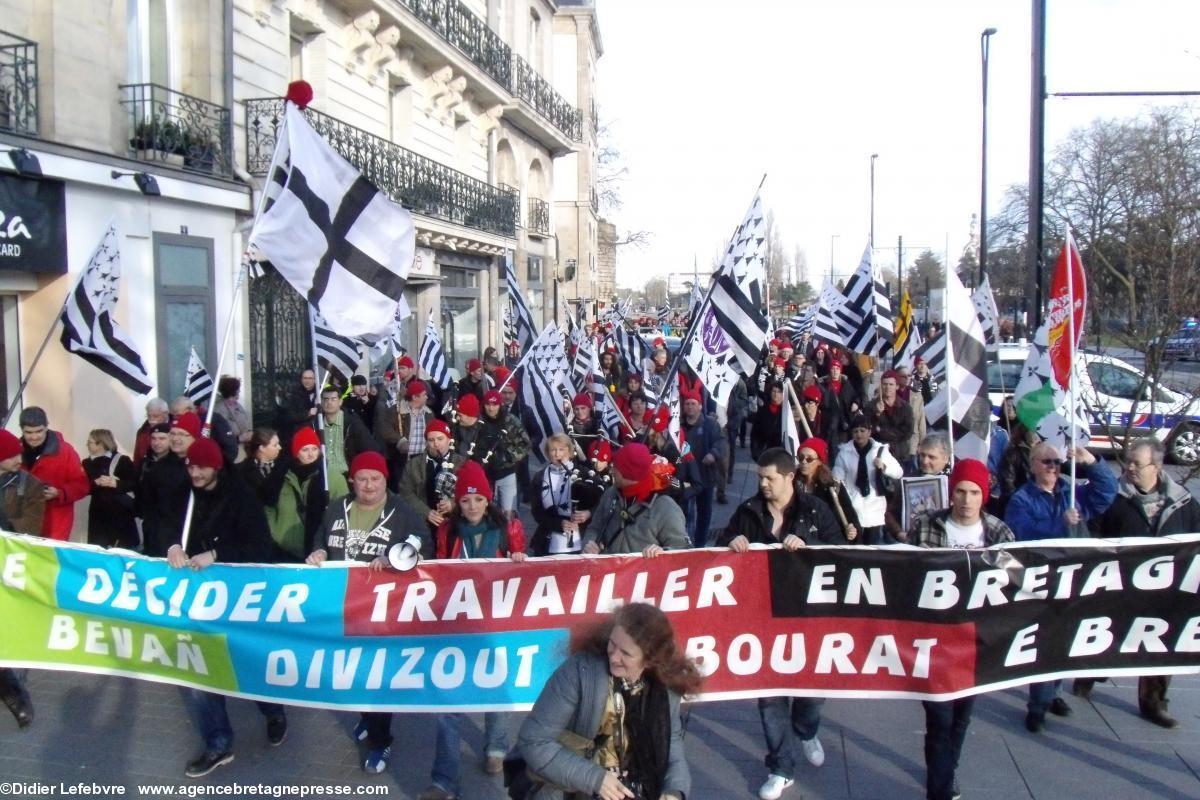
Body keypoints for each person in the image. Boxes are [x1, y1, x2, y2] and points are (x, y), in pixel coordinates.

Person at [717, 447, 844, 800]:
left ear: (790, 477)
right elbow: (717, 545)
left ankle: (806, 730)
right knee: (770, 699)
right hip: (763, 619)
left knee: (811, 694)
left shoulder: (815, 510)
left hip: (808, 618)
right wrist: (731, 540)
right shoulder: (748, 511)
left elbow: (843, 553)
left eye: (770, 477)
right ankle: (781, 767)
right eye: (759, 477)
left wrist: (809, 544)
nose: (763, 483)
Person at [168, 437, 285, 778]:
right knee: (199, 671)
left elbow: (259, 546)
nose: (195, 472)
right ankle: (218, 743)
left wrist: (218, 555)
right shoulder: (183, 496)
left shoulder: (241, 497)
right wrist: (173, 544)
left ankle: (272, 708)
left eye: (201, 466)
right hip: (196, 602)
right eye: (190, 466)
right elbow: (163, 524)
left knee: (247, 665)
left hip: (238, 599)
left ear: (216, 467)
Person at [307, 451, 426, 774]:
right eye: (362, 479)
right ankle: (365, 716)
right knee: (353, 671)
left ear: (385, 480)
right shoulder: (337, 508)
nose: (369, 485)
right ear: (352, 481)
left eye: (375, 479)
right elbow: (320, 535)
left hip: (382, 608)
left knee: (376, 675)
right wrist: (317, 550)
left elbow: (420, 541)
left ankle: (380, 738)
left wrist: (395, 557)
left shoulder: (401, 511)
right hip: (342, 606)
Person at [908, 459, 1015, 800]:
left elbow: (1014, 584)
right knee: (939, 719)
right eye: (960, 491)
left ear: (984, 496)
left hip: (975, 643)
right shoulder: (926, 526)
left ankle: (946, 770)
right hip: (935, 641)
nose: (966, 500)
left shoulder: (999, 533)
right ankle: (939, 790)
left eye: (973, 492)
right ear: (951, 493)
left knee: (960, 719)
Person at [516, 603, 702, 800]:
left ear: (649, 661)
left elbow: (671, 745)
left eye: (626, 653)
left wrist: (674, 791)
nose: (614, 656)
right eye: (612, 644)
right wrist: (595, 779)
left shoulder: (665, 688)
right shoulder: (580, 672)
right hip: (570, 790)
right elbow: (534, 741)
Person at [419, 461, 527, 799]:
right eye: (465, 501)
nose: (472, 507)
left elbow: (525, 568)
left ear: (488, 499)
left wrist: (520, 559)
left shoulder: (507, 526)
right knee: (448, 699)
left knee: (494, 686)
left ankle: (496, 748)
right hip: (456, 621)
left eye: (478, 499)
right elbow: (439, 570)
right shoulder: (448, 530)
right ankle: (443, 780)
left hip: (494, 620)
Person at [1085, 439, 1200, 728]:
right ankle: (1086, 674)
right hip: (1117, 586)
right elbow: (1091, 537)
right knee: (1105, 634)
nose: (1130, 467)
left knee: (1162, 643)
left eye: (1137, 463)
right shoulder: (1113, 498)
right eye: (1128, 461)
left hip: (1165, 592)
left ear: (1157, 467)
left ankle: (1154, 702)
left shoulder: (1184, 501)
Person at [1004, 442, 1117, 734]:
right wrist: (1059, 524)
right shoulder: (1022, 498)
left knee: (1065, 639)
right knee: (1044, 640)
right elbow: (1022, 533)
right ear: (1032, 465)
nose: (1053, 467)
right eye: (1046, 462)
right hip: (1042, 580)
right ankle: (1038, 705)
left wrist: (1092, 462)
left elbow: (1107, 492)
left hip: (1073, 577)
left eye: (1057, 462)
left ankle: (1053, 693)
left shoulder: (1071, 492)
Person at [0, 429, 44, 729]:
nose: (19, 457)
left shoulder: (28, 484)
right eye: (12, 454)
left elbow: (24, 531)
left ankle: (15, 695)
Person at [582, 443, 689, 557]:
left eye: (615, 467)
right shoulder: (610, 494)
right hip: (609, 572)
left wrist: (662, 553)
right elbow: (594, 528)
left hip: (644, 574)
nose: (611, 471)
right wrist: (590, 544)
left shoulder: (665, 508)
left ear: (629, 474)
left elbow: (683, 551)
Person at [269, 427, 346, 562]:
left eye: (314, 449)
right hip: (284, 551)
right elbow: (268, 505)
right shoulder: (280, 477)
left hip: (319, 553)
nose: (311, 454)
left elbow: (344, 513)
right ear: (296, 452)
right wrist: (274, 532)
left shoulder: (332, 478)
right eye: (305, 450)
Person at [18, 406, 89, 541]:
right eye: (29, 432)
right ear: (22, 430)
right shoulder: (14, 449)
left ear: (46, 427)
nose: (34, 437)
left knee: (51, 560)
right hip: (22, 521)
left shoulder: (65, 451)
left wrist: (59, 493)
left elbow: (82, 485)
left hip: (55, 523)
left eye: (39, 431)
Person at [832, 415, 902, 544]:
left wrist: (884, 467)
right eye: (856, 431)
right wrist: (836, 482)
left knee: (873, 545)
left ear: (869, 432)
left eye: (862, 431)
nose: (859, 435)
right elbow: (837, 476)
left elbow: (898, 472)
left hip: (874, 505)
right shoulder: (844, 452)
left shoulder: (880, 451)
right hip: (853, 504)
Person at [398, 419, 467, 536]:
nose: (436, 444)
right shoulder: (413, 464)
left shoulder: (462, 464)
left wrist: (452, 504)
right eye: (431, 440)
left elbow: (470, 492)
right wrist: (426, 512)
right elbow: (406, 493)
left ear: (449, 440)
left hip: (454, 524)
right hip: (421, 524)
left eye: (440, 439)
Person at [680, 391, 726, 547]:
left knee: (704, 513)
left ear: (700, 406)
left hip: (706, 476)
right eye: (687, 403)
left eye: (693, 404)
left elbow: (720, 442)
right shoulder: (678, 425)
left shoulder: (710, 424)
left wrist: (713, 454)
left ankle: (699, 545)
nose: (690, 407)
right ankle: (685, 543)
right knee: (685, 512)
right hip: (686, 479)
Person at [81, 429, 138, 549]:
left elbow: (135, 483)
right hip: (98, 513)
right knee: (98, 549)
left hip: (120, 513)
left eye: (90, 442)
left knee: (122, 550)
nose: (87, 445)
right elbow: (82, 487)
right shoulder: (86, 463)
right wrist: (95, 483)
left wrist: (116, 483)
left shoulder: (122, 460)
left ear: (101, 443)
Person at [477, 389, 531, 518]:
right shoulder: (478, 421)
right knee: (486, 513)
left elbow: (525, 444)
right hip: (484, 473)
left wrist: (508, 456)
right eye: (488, 404)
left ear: (500, 405)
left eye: (494, 405)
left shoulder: (510, 420)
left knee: (509, 514)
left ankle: (510, 537)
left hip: (507, 472)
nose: (491, 408)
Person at [375, 379, 435, 492]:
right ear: (415, 397)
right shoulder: (396, 411)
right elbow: (384, 428)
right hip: (402, 460)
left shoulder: (429, 414)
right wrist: (400, 441)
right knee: (402, 489)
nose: (427, 397)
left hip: (422, 460)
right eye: (424, 395)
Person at [529, 434, 585, 556]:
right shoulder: (539, 477)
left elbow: (598, 504)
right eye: (553, 450)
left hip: (579, 538)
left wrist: (587, 514)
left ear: (570, 452)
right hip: (548, 539)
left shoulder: (584, 474)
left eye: (561, 449)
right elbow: (536, 512)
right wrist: (557, 524)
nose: (557, 454)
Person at [795, 437, 859, 543]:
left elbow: (849, 514)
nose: (804, 462)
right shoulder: (791, 482)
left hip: (826, 540)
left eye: (809, 459)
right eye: (800, 458)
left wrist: (852, 528)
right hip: (798, 539)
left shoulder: (832, 485)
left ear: (820, 461)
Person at [318, 383, 380, 481]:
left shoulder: (353, 424)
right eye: (325, 399)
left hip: (346, 476)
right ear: (321, 402)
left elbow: (371, 450)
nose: (329, 403)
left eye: (333, 399)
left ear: (340, 402)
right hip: (322, 476)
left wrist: (356, 471)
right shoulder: (316, 425)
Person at [171, 396, 238, 466]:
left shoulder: (212, 419)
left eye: (178, 415)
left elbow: (230, 447)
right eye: (174, 416)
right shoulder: (175, 425)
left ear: (190, 410)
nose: (176, 419)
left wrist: (217, 468)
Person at [868, 370, 915, 466]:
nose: (887, 387)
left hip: (900, 455)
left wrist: (882, 431)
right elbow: (869, 430)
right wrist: (877, 414)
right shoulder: (871, 406)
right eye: (885, 384)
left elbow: (907, 432)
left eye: (891, 384)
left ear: (897, 386)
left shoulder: (905, 407)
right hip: (879, 455)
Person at [235, 428, 288, 510]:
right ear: (262, 448)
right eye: (275, 445)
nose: (280, 447)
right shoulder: (243, 471)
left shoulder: (284, 464)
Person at [212, 376, 253, 460]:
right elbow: (221, 433)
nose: (240, 391)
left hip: (244, 448)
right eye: (238, 389)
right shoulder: (220, 409)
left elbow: (245, 420)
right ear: (233, 391)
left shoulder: (237, 404)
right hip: (232, 451)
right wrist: (239, 438)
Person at [278, 368, 318, 444]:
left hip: (316, 431)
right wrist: (308, 413)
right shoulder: (294, 394)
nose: (307, 381)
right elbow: (290, 416)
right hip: (299, 431)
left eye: (310, 378)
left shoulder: (320, 393)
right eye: (305, 378)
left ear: (315, 379)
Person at [133, 397, 171, 466]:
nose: (151, 420)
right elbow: (137, 459)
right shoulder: (142, 432)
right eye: (149, 416)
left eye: (155, 416)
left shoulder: (175, 430)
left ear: (165, 414)